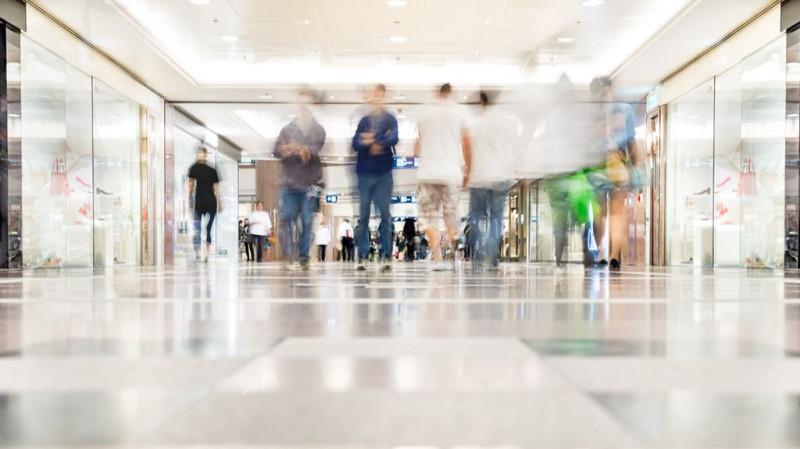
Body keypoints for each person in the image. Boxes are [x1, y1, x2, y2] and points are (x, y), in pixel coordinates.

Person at [415, 83, 472, 271]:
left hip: (427, 173)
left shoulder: (424, 116)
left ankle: (437, 254)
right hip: (450, 173)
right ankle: (453, 248)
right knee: (450, 215)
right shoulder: (460, 114)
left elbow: (417, 147)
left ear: (437, 94)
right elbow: (466, 144)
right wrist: (468, 170)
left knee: (429, 217)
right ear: (451, 94)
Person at [590, 77, 643, 270]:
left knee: (601, 212)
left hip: (598, 164)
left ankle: (603, 255)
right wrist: (637, 167)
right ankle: (613, 255)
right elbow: (632, 142)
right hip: (618, 162)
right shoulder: (624, 109)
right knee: (617, 212)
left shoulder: (591, 114)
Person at [273, 89, 326, 270]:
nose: (303, 106)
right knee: (286, 219)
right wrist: (287, 149)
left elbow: (314, 148)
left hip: (311, 184)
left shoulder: (318, 130)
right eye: (301, 102)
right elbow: (276, 150)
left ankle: (303, 257)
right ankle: (288, 255)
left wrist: (303, 151)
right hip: (289, 182)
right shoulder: (287, 130)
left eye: (307, 103)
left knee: (307, 219)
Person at [466, 91, 517, 270]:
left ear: (482, 100)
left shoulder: (475, 123)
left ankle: (478, 250)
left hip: (479, 177)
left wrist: (467, 173)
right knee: (496, 217)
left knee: (475, 216)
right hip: (500, 177)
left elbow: (468, 151)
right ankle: (492, 250)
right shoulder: (507, 122)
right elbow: (514, 148)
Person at [352, 84, 399, 272]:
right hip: (364, 173)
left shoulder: (390, 119)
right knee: (363, 216)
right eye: (374, 95)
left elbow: (394, 138)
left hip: (384, 174)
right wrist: (375, 139)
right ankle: (362, 255)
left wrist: (371, 139)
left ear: (384, 97)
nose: (377, 98)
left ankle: (386, 255)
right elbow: (356, 142)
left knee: (385, 215)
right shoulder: (364, 121)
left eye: (380, 95)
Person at [187, 147, 222, 263]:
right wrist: (220, 203)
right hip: (208, 203)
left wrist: (188, 199)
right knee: (205, 229)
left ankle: (200, 254)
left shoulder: (194, 168)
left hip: (201, 203)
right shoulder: (211, 170)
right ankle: (203, 254)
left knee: (199, 229)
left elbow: (191, 187)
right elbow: (216, 188)